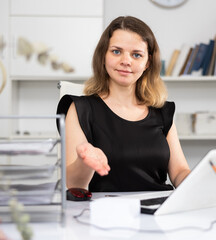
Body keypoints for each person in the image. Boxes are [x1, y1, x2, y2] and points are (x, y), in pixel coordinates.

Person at [57, 16, 190, 192]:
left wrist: (201, 182)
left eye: (136, 55)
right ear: (103, 55)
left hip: (158, 211)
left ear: (147, 63)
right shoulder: (81, 109)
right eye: (116, 51)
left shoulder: (162, 111)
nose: (126, 61)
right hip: (106, 213)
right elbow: (74, 185)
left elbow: (179, 172)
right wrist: (85, 161)